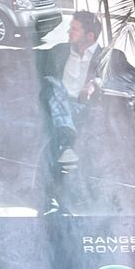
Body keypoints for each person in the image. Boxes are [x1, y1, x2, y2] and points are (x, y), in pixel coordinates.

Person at [40, 10, 104, 168]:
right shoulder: (60, 50)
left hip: (82, 105)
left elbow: (131, 79)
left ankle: (65, 144)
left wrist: (96, 83)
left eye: (74, 29)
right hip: (55, 99)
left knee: (55, 86)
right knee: (54, 85)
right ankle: (66, 142)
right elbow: (31, 54)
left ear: (90, 36)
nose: (69, 31)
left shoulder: (106, 57)